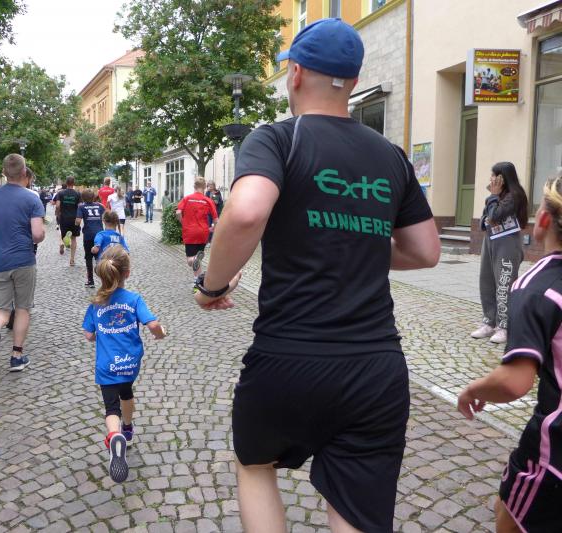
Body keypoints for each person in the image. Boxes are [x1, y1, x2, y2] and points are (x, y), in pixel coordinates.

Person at [193, 19, 440, 533]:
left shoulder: (278, 138)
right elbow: (424, 251)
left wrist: (211, 285)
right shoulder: (391, 156)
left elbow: (246, 212)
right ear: (353, 82)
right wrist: (357, 239)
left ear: (297, 73)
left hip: (289, 357)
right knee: (357, 511)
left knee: (255, 465)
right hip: (375, 368)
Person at [457, 175, 562, 533]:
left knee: (509, 513)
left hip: (554, 451)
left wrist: (473, 389)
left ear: (543, 219)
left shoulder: (538, 287)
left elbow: (514, 382)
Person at [82, 245, 166, 482]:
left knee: (111, 408)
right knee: (126, 392)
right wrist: (160, 333)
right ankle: (127, 428)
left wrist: (100, 333)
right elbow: (152, 325)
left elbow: (88, 335)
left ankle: (114, 435)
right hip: (129, 363)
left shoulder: (96, 303)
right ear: (127, 273)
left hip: (107, 365)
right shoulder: (133, 299)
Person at [0, 154, 45, 372]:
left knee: (1, 309)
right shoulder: (32, 199)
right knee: (22, 308)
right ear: (24, 172)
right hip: (23, 260)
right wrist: (35, 237)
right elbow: (37, 235)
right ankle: (16, 357)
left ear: (3, 173)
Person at [471, 162, 529, 344]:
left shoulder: (514, 196)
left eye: (493, 175)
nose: (491, 179)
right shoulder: (495, 196)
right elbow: (486, 218)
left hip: (508, 243)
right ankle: (489, 321)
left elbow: (495, 215)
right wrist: (489, 210)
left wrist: (493, 198)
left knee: (504, 283)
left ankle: (504, 326)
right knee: (487, 281)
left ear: (502, 178)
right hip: (491, 240)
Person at [176, 177, 218, 282]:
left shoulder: (187, 198)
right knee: (197, 259)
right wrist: (213, 228)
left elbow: (178, 212)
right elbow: (216, 219)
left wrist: (183, 223)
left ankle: (195, 262)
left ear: (194, 186)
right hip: (203, 232)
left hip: (189, 232)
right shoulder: (208, 200)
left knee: (190, 260)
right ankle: (197, 280)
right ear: (204, 187)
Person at [76, 189, 105, 288]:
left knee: (88, 258)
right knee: (100, 257)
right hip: (100, 235)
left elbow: (78, 221)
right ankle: (105, 280)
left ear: (83, 198)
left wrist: (76, 225)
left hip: (88, 235)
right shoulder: (100, 206)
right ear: (93, 197)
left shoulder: (81, 207)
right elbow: (106, 218)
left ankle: (90, 281)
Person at [55, 176, 82, 266]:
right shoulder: (78, 194)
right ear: (74, 183)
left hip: (64, 218)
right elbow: (80, 206)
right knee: (73, 238)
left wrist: (58, 213)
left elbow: (57, 206)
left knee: (64, 235)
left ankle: (63, 243)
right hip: (74, 219)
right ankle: (72, 259)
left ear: (66, 183)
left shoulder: (60, 193)